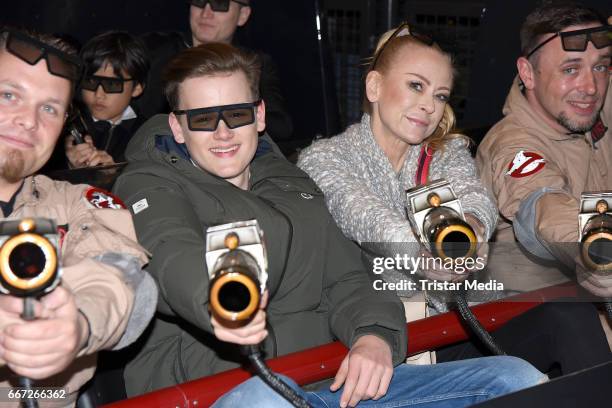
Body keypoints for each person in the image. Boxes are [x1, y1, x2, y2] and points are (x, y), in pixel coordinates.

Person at [113, 42, 544, 408]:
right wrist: (221, 303)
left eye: (238, 115)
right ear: (177, 126)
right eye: (203, 119)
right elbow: (171, 253)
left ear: (260, 116)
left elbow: (348, 276)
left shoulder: (291, 182)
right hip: (221, 387)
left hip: (327, 382)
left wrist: (373, 336)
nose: (223, 132)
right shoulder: (152, 184)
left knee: (513, 377)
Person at [298, 21, 611, 375]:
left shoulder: (445, 152)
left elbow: (476, 198)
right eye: (416, 86)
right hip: (385, 343)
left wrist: (473, 229)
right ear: (374, 85)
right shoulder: (324, 158)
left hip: (459, 327)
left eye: (440, 95)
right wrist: (419, 255)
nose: (428, 106)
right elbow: (363, 215)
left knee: (569, 314)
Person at [0, 28, 155, 406]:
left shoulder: (76, 202)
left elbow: (127, 278)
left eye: (49, 107)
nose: (28, 120)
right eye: (9, 95)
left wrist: (78, 325)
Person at [477, 2, 612, 298]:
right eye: (570, 69)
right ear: (528, 74)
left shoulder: (589, 107)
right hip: (538, 321)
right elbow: (543, 206)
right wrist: (593, 252)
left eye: (600, 66)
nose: (591, 87)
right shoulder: (514, 146)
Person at [134, 0, 293, 142]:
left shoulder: (255, 63)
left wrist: (233, 113)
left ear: (242, 15)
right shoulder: (154, 49)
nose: (206, 13)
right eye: (199, 2)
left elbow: (281, 127)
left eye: (220, 4)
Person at [64, 31, 150, 168]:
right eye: (90, 81)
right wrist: (68, 168)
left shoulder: (148, 135)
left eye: (112, 84)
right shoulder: (64, 125)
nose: (99, 94)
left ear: (137, 88)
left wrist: (113, 175)